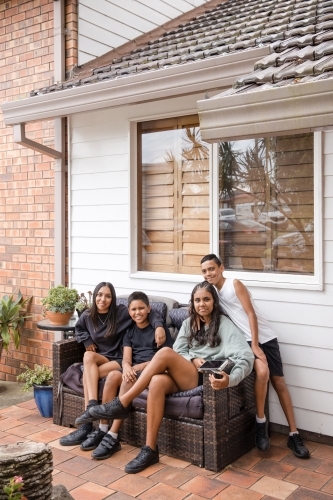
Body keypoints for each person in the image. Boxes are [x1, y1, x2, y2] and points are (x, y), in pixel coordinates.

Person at [88, 281, 254, 473]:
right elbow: (180, 351)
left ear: (214, 302)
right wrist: (192, 358)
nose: (202, 304)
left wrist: (230, 380)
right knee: (157, 381)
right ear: (192, 303)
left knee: (165, 353)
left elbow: (246, 357)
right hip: (186, 373)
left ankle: (122, 401)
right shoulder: (188, 323)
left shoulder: (225, 325)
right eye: (197, 300)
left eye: (206, 299)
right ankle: (150, 449)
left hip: (203, 379)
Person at [200, 254, 310, 459]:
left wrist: (257, 344)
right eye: (204, 271)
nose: (208, 273)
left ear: (221, 268)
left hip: (264, 337)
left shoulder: (235, 284)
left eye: (212, 269)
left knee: (279, 382)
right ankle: (261, 423)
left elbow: (250, 313)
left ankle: (294, 434)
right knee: (262, 372)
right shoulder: (213, 292)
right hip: (246, 341)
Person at [59, 282, 166, 448]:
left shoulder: (121, 312)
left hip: (117, 359)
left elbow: (149, 313)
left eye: (108, 296)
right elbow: (79, 328)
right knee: (88, 357)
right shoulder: (88, 315)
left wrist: (159, 326)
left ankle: (87, 423)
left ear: (113, 298)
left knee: (88, 374)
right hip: (102, 358)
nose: (103, 299)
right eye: (100, 295)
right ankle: (92, 408)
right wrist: (86, 340)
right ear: (94, 296)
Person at [77, 291, 173, 460]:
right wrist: (127, 366)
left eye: (142, 308)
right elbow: (126, 358)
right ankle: (103, 429)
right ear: (129, 312)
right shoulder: (129, 332)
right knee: (114, 376)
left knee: (127, 379)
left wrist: (134, 369)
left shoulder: (159, 330)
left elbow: (164, 358)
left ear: (149, 309)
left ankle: (113, 436)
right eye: (134, 309)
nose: (138, 312)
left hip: (153, 369)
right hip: (135, 367)